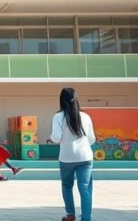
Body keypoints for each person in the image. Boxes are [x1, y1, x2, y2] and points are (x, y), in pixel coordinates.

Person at [50, 87, 96, 221]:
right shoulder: (86, 116)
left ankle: (70, 215)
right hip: (85, 157)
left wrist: (54, 137)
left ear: (61, 100)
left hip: (66, 157)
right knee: (85, 188)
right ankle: (86, 218)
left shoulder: (58, 117)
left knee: (67, 185)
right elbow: (92, 139)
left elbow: (56, 138)